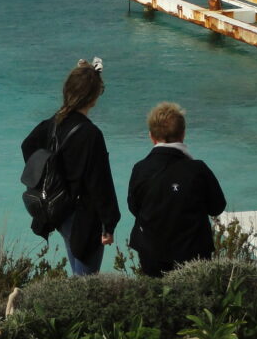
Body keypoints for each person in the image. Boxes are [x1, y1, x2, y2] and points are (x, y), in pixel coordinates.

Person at [21, 59, 120, 276]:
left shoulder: (52, 123)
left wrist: (47, 177)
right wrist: (109, 224)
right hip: (84, 216)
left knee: (77, 272)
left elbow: (28, 146)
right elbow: (100, 183)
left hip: (60, 211)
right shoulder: (91, 134)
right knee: (86, 280)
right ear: (93, 98)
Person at [128, 103, 226, 277]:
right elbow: (217, 207)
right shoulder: (198, 170)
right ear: (183, 134)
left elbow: (134, 208)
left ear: (151, 136)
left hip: (151, 256)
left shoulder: (140, 169)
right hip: (193, 256)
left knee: (155, 293)